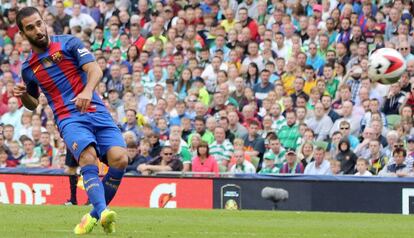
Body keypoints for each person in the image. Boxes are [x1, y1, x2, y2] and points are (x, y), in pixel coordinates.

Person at [14, 7, 128, 235]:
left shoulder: (69, 43)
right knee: (88, 157)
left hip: (95, 109)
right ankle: (104, 213)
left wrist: (87, 91)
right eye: (30, 28)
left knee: (120, 159)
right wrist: (24, 95)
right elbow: (34, 103)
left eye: (39, 23)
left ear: (44, 22)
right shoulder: (29, 69)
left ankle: (93, 215)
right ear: (22, 34)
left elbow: (95, 69)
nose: (37, 30)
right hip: (68, 118)